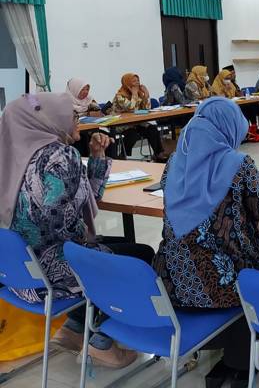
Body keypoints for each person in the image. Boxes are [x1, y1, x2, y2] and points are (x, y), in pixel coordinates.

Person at [0, 93, 154, 368]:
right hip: (53, 275)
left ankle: (73, 327)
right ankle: (101, 342)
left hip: (19, 275)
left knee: (116, 246)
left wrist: (96, 158)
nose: (78, 121)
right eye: (72, 116)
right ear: (49, 120)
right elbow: (64, 226)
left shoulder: (11, 157)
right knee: (140, 255)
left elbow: (74, 203)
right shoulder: (60, 156)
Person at [153, 97, 259, 385]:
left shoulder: (175, 161)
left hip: (171, 283)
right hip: (226, 289)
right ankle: (244, 356)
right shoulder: (240, 164)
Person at [111, 73, 167, 162]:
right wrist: (134, 94)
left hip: (136, 122)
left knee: (152, 129)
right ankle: (123, 157)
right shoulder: (120, 95)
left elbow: (147, 108)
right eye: (134, 81)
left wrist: (146, 95)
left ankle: (158, 154)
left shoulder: (138, 93)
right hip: (122, 124)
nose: (137, 83)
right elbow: (131, 108)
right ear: (127, 83)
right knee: (132, 135)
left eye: (138, 81)